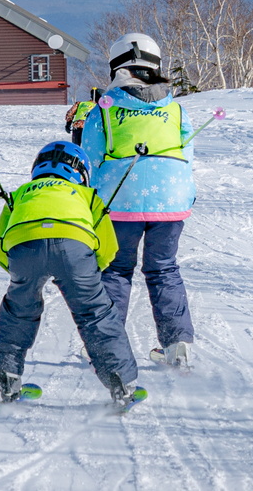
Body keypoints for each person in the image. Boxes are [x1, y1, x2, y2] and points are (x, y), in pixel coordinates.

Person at [0, 140, 144, 409]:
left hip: (25, 246)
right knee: (95, 312)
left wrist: (16, 272)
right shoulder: (86, 195)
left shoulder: (21, 193)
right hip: (75, 248)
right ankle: (121, 383)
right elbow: (108, 246)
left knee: (18, 309)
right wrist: (91, 271)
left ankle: (6, 382)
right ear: (80, 173)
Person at [80, 33, 196, 369]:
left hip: (120, 202)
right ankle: (178, 345)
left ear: (116, 67)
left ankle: (107, 349)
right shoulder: (175, 109)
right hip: (172, 202)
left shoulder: (104, 109)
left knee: (116, 271)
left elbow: (89, 160)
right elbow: (187, 154)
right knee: (164, 270)